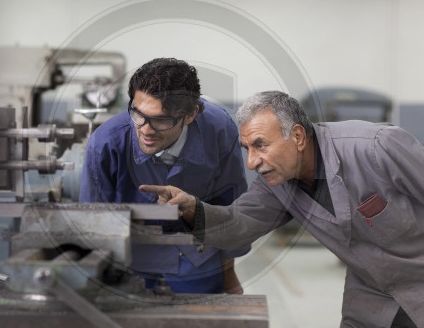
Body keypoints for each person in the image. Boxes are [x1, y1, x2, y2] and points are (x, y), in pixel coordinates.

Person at [140, 90, 424, 327]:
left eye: (260, 145)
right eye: (247, 148)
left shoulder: (376, 148)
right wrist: (193, 209)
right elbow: (239, 223)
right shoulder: (278, 185)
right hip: (371, 304)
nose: (252, 162)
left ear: (298, 137)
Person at [79, 58, 249, 294]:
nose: (145, 129)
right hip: (128, 263)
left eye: (160, 120)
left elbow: (229, 208)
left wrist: (229, 276)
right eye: (137, 114)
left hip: (197, 264)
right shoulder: (105, 144)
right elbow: (91, 226)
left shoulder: (218, 131)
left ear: (190, 115)